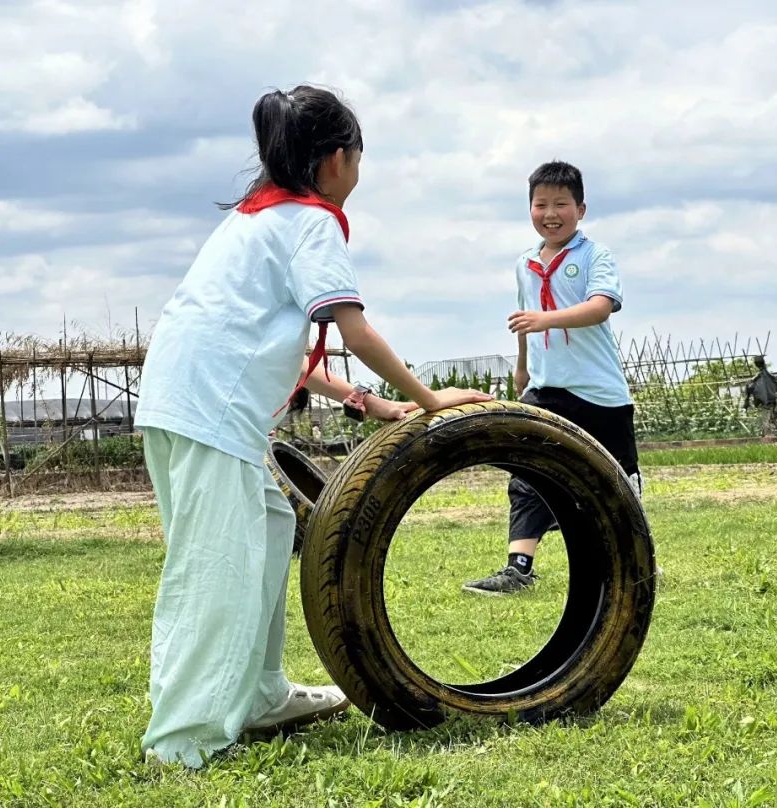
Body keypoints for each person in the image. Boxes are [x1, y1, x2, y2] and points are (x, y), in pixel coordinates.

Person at [133, 84, 491, 767]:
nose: (358, 172)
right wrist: (430, 398)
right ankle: (182, 742)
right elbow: (351, 328)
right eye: (359, 158)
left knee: (267, 531)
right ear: (335, 160)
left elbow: (285, 347)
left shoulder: (253, 220)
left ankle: (261, 694)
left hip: (182, 401)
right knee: (218, 571)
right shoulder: (310, 221)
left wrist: (377, 406)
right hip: (209, 414)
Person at [463, 161, 641, 596]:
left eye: (561, 203)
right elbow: (527, 319)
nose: (550, 213)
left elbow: (600, 307)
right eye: (541, 204)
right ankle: (518, 568)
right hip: (546, 388)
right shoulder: (524, 263)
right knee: (528, 471)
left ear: (580, 208)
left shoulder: (595, 256)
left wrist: (545, 320)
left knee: (617, 482)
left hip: (599, 393)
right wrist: (523, 367)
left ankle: (633, 562)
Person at [743, 355, 777, 436]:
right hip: (772, 401)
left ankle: (768, 435)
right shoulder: (765, 375)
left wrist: (747, 399)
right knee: (773, 418)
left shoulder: (761, 376)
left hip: (767, 402)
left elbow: (750, 386)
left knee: (768, 419)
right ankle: (773, 433)